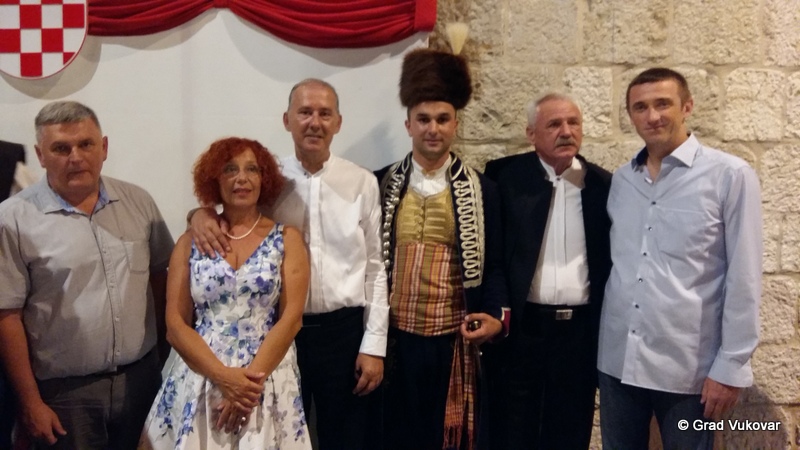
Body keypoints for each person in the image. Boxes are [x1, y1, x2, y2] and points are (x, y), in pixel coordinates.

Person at [190, 79, 389, 450]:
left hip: (344, 335)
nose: (315, 122)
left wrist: (374, 344)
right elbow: (229, 212)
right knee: (279, 437)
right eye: (305, 112)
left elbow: (376, 268)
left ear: (338, 122)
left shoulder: (362, 182)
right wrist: (198, 214)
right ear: (287, 120)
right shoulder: (267, 180)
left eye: (325, 114)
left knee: (347, 439)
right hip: (278, 334)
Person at [598, 68, 763, 449]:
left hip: (690, 372)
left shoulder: (730, 176)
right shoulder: (622, 180)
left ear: (687, 107)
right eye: (640, 107)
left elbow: (745, 277)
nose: (652, 116)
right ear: (630, 115)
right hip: (618, 362)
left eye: (663, 104)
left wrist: (731, 365)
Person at [0, 101, 174, 449]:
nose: (76, 157)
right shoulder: (12, 219)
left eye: (86, 144)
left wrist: (159, 357)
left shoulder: (139, 203)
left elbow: (161, 280)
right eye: (61, 148)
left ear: (104, 147)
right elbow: (7, 315)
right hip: (63, 397)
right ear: (40, 154)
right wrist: (30, 402)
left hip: (140, 383)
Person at [375, 48, 509, 450]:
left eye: (442, 119)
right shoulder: (380, 184)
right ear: (408, 125)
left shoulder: (483, 190)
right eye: (423, 119)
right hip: (395, 340)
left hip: (453, 340)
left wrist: (496, 316)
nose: (432, 128)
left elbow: (495, 265)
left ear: (455, 124)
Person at [143, 137, 311, 449]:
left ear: (264, 179)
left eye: (252, 169)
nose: (242, 178)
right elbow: (175, 325)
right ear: (214, 180)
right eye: (230, 169)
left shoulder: (287, 238)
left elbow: (291, 319)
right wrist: (223, 378)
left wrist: (246, 388)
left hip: (266, 376)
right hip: (201, 374)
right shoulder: (190, 242)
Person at [483, 93, 612, 450]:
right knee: (511, 432)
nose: (566, 132)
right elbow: (492, 258)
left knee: (570, 432)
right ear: (531, 133)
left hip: (578, 336)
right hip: (522, 332)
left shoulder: (602, 185)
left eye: (573, 123)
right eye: (554, 124)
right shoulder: (504, 178)